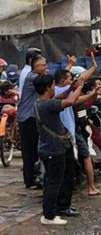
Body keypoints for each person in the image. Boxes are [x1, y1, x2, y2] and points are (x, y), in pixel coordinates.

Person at [34, 73, 85, 226]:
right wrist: (80, 87)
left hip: (49, 149)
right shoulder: (48, 105)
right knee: (54, 183)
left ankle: (55, 210)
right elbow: (69, 101)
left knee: (54, 181)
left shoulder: (41, 103)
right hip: (53, 150)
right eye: (53, 86)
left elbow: (61, 97)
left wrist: (71, 87)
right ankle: (49, 216)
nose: (55, 89)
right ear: (48, 88)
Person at [17, 54, 73, 188]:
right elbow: (53, 81)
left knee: (35, 149)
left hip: (32, 115)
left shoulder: (34, 77)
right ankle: (30, 180)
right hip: (28, 117)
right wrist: (69, 67)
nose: (46, 68)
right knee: (30, 150)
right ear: (36, 67)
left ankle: (36, 177)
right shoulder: (33, 78)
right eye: (44, 65)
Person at [55, 63, 100, 197]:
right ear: (63, 81)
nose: (72, 81)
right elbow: (77, 91)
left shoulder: (58, 91)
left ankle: (89, 187)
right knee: (73, 162)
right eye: (69, 79)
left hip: (71, 131)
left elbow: (78, 91)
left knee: (80, 159)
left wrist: (91, 91)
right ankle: (87, 188)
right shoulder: (59, 93)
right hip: (66, 133)